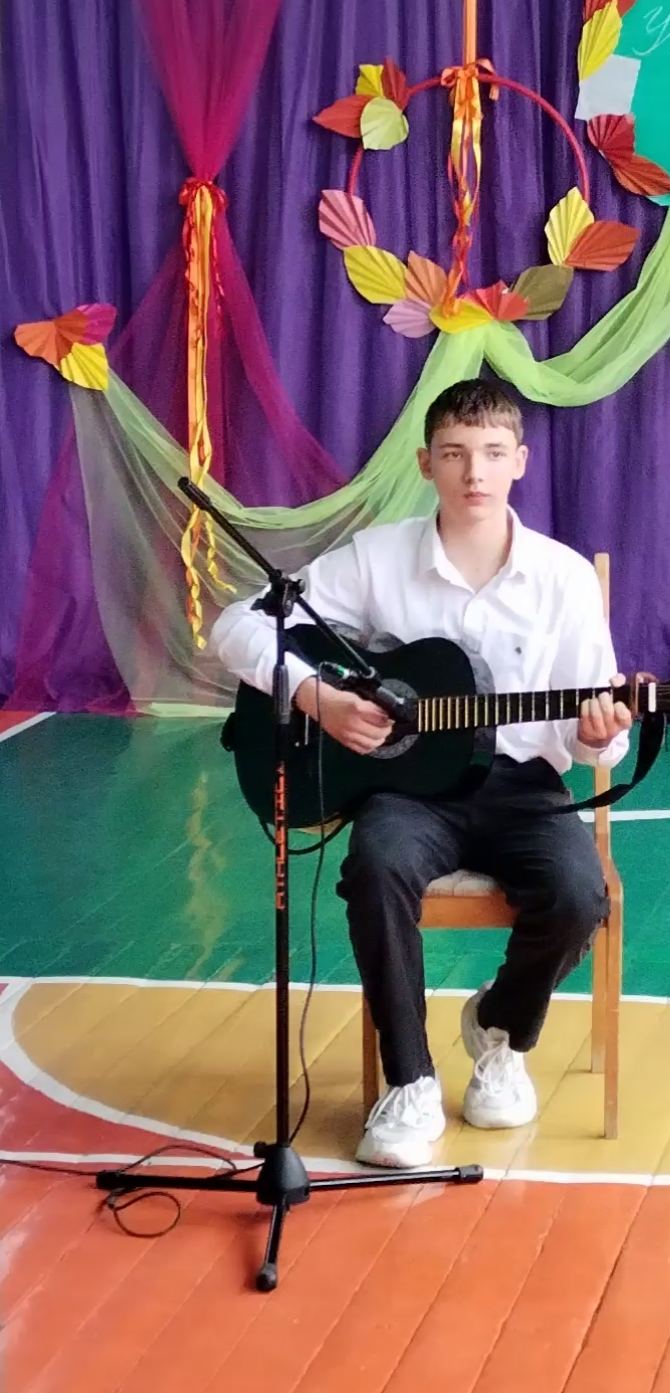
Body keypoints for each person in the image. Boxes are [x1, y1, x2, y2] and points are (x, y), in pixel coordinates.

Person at [212, 379, 631, 1169]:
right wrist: (317, 695)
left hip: (522, 786)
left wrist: (598, 734)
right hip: (407, 789)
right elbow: (236, 624)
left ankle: (500, 1030)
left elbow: (591, 744)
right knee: (376, 866)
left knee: (581, 893)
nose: (475, 472)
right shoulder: (377, 558)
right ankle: (408, 1079)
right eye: (455, 453)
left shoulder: (564, 577)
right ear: (425, 463)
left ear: (520, 462)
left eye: (493, 453)